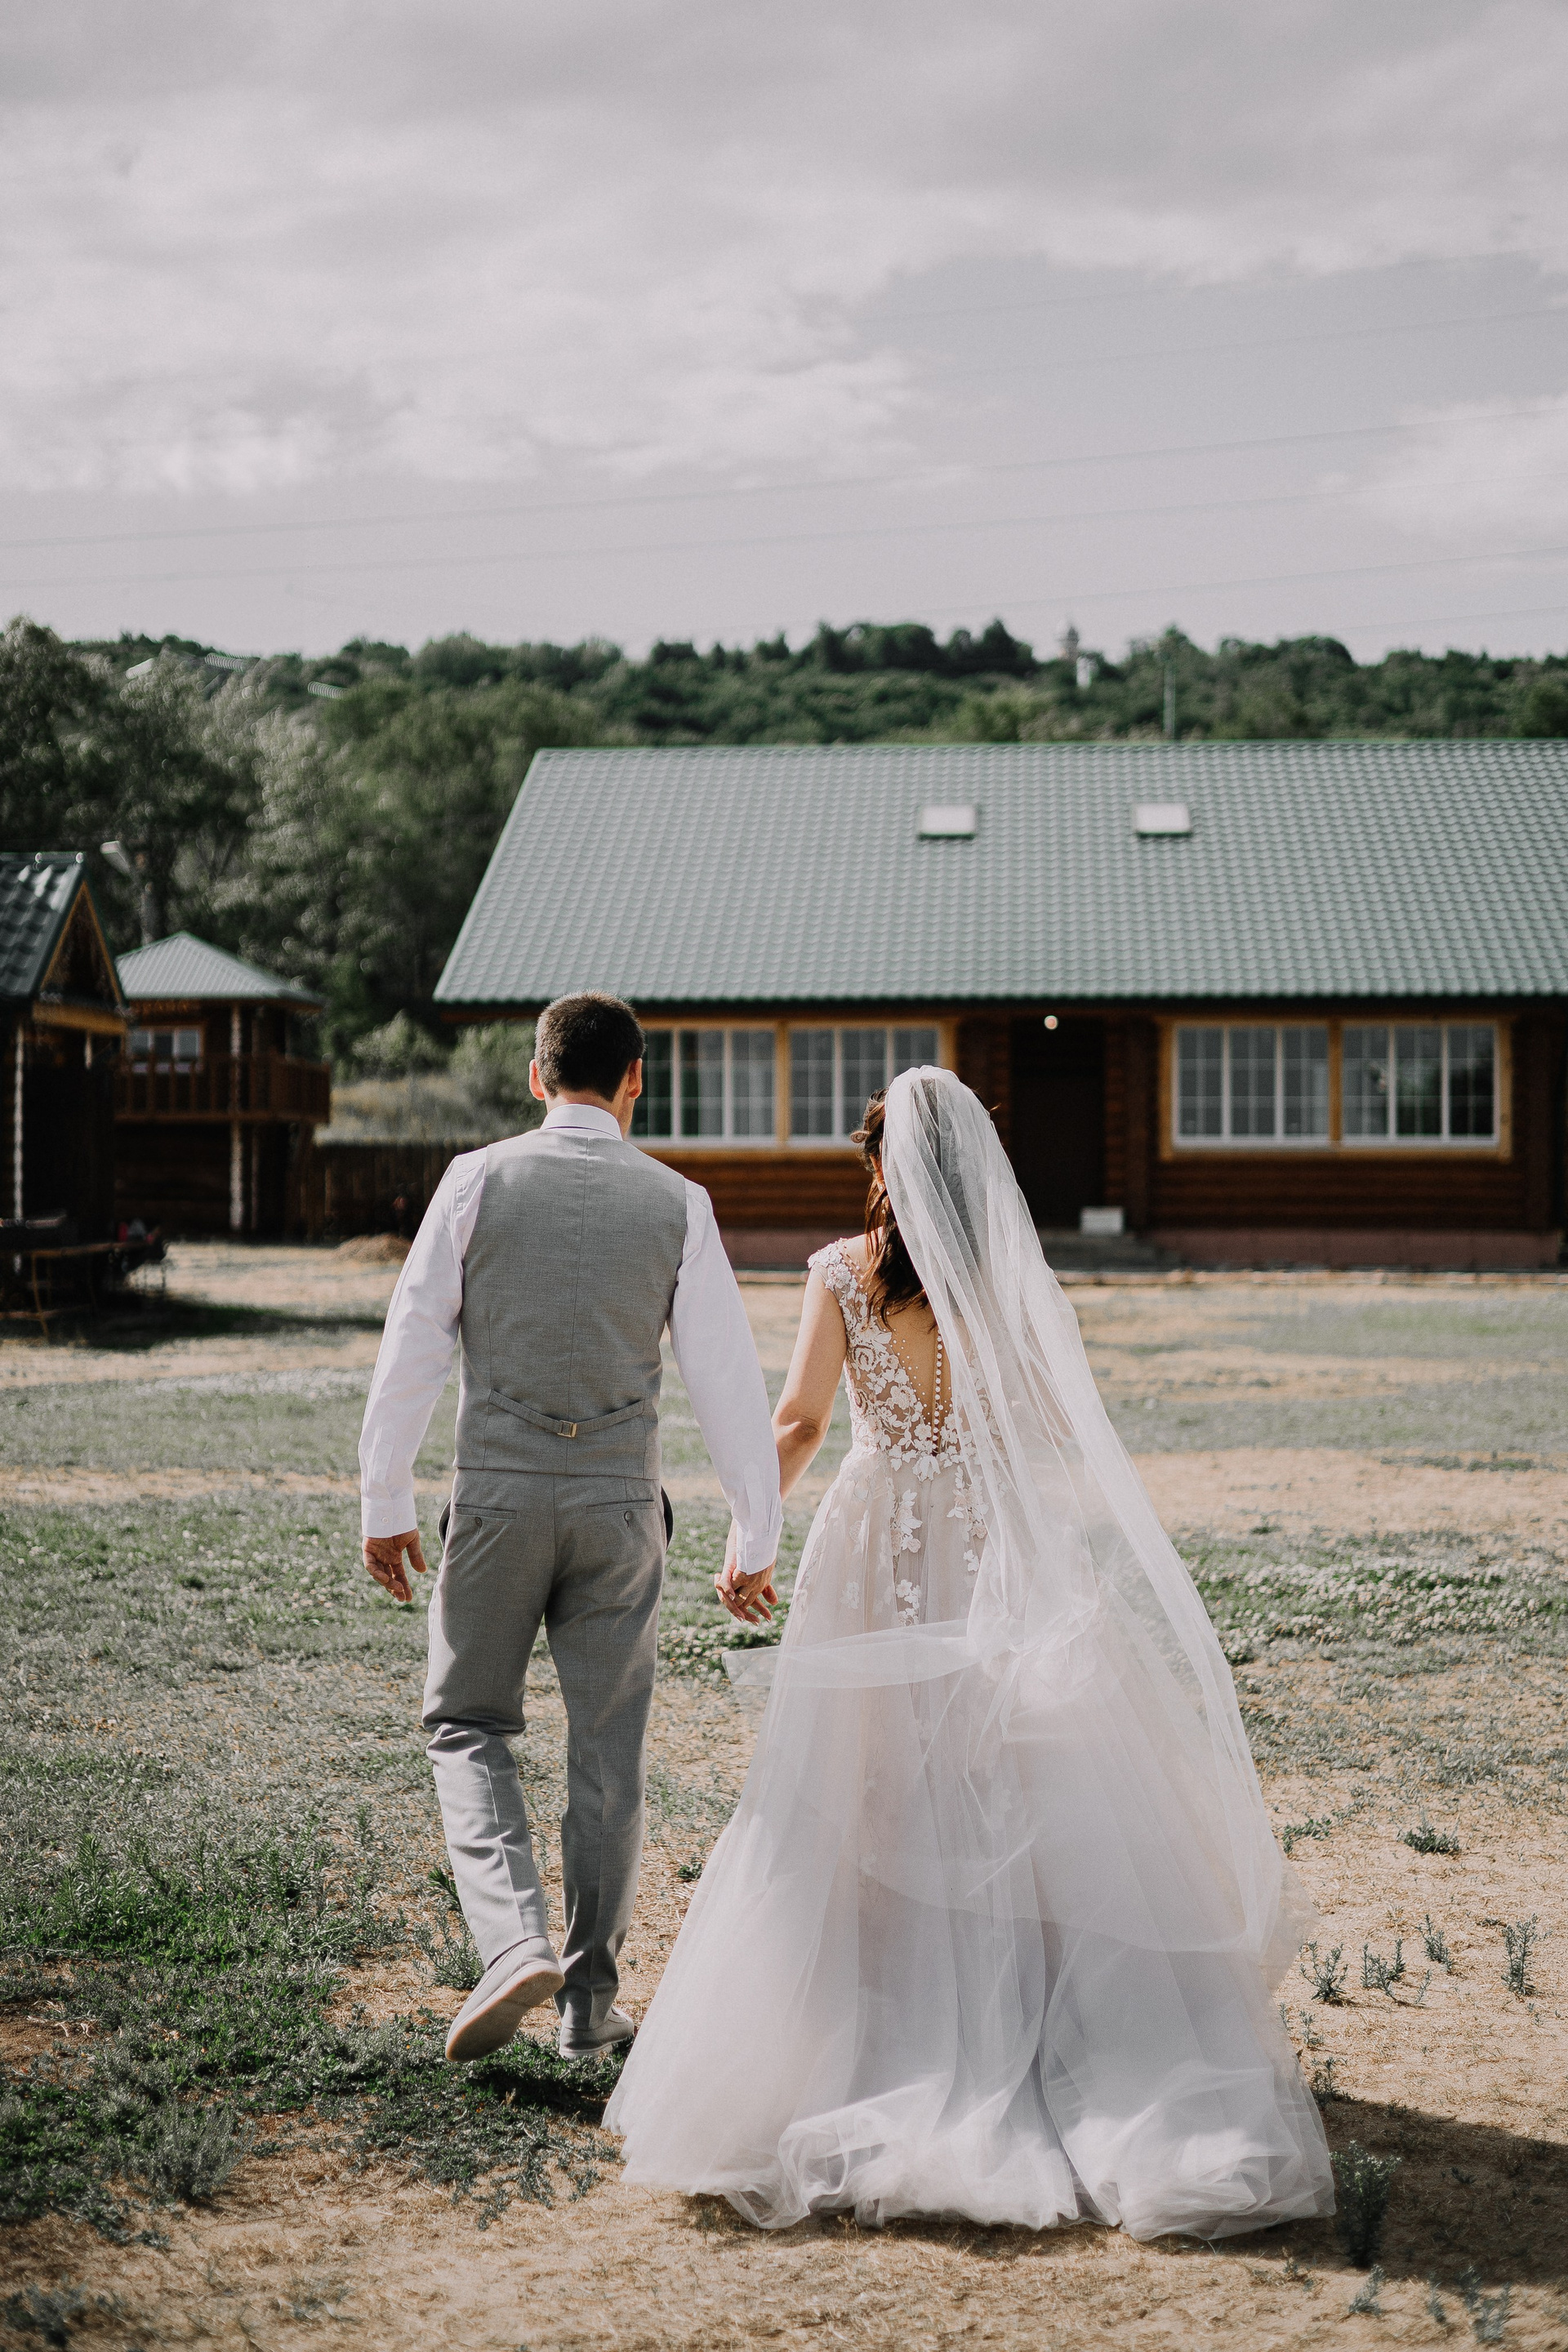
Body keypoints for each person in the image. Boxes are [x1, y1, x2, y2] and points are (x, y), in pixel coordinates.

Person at [607, 1067, 1334, 2240]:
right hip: (992, 1537)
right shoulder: (1007, 1283)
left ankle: (883, 2014)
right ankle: (1029, 2016)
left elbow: (799, 1421)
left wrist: (750, 1534)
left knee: (862, 1777)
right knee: (1005, 1769)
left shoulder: (841, 1273)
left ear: (883, 1168)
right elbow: (1044, 1422)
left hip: (874, 1539)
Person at [358, 992, 781, 2064]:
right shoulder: (679, 1202)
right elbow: (728, 1379)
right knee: (607, 1754)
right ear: (636, 1080)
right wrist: (755, 1533)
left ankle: (513, 1941)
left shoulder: (475, 1181)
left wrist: (385, 1500)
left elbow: (414, 1341)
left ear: (536, 1076)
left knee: (467, 1723)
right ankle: (589, 2009)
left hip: (497, 1501)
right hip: (619, 1510)